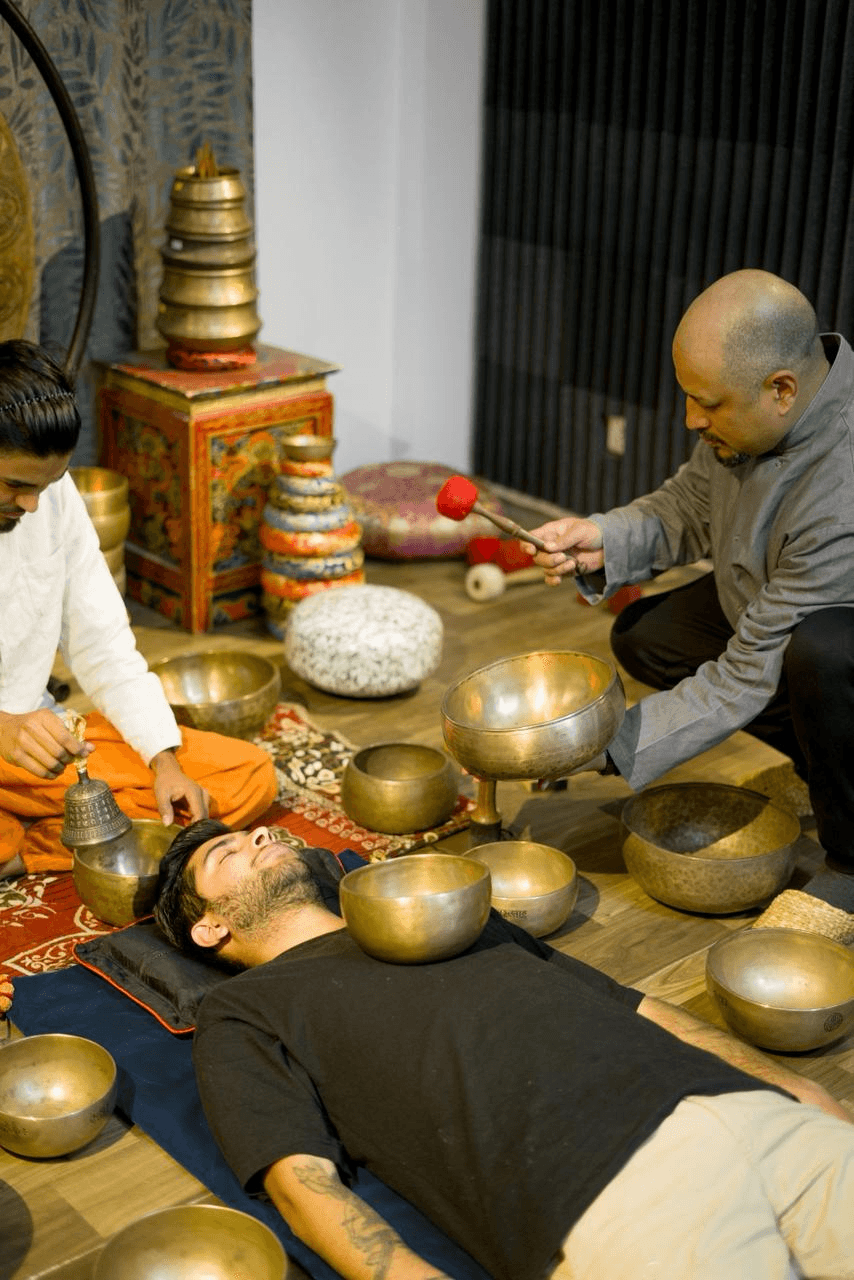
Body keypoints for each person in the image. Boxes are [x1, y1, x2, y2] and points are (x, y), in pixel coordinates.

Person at [153, 819, 854, 1280]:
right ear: (211, 929)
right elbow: (300, 1181)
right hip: (606, 1186)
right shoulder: (241, 1012)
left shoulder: (440, 907)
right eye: (228, 852)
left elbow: (632, 1004)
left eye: (258, 830)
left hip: (743, 1110)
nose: (258, 835)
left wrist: (791, 1088)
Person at [527, 270, 854, 901]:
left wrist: (597, 748)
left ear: (781, 390)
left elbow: (745, 671)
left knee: (822, 650)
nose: (689, 418)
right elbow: (691, 502)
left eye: (707, 404)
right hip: (789, 609)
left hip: (832, 635)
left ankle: (848, 864)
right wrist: (603, 539)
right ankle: (825, 766)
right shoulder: (759, 406)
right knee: (649, 634)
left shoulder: (842, 493)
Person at [0, 340, 277, 876]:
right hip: (10, 739)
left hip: (35, 753)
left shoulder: (51, 500)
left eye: (46, 485)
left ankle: (25, 849)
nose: (32, 504)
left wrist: (163, 762)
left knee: (246, 775)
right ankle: (56, 838)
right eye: (15, 485)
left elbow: (104, 647)